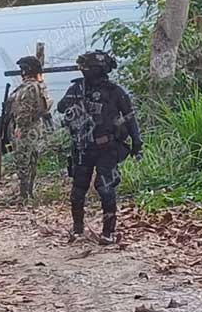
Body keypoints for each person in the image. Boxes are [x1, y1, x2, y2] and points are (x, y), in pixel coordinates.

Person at [57, 50, 142, 245]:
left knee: (105, 188)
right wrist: (74, 102)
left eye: (87, 67)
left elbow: (130, 119)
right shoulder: (78, 88)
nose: (84, 70)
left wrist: (137, 144)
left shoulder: (115, 92)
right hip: (82, 148)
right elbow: (61, 108)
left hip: (107, 147)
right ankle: (77, 230)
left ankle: (108, 233)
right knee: (78, 189)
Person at [6, 55, 52, 205]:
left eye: (22, 69)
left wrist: (19, 126)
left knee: (23, 162)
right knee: (31, 160)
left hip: (26, 129)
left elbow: (25, 110)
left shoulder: (29, 87)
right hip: (35, 128)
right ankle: (27, 194)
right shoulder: (39, 85)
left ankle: (24, 195)